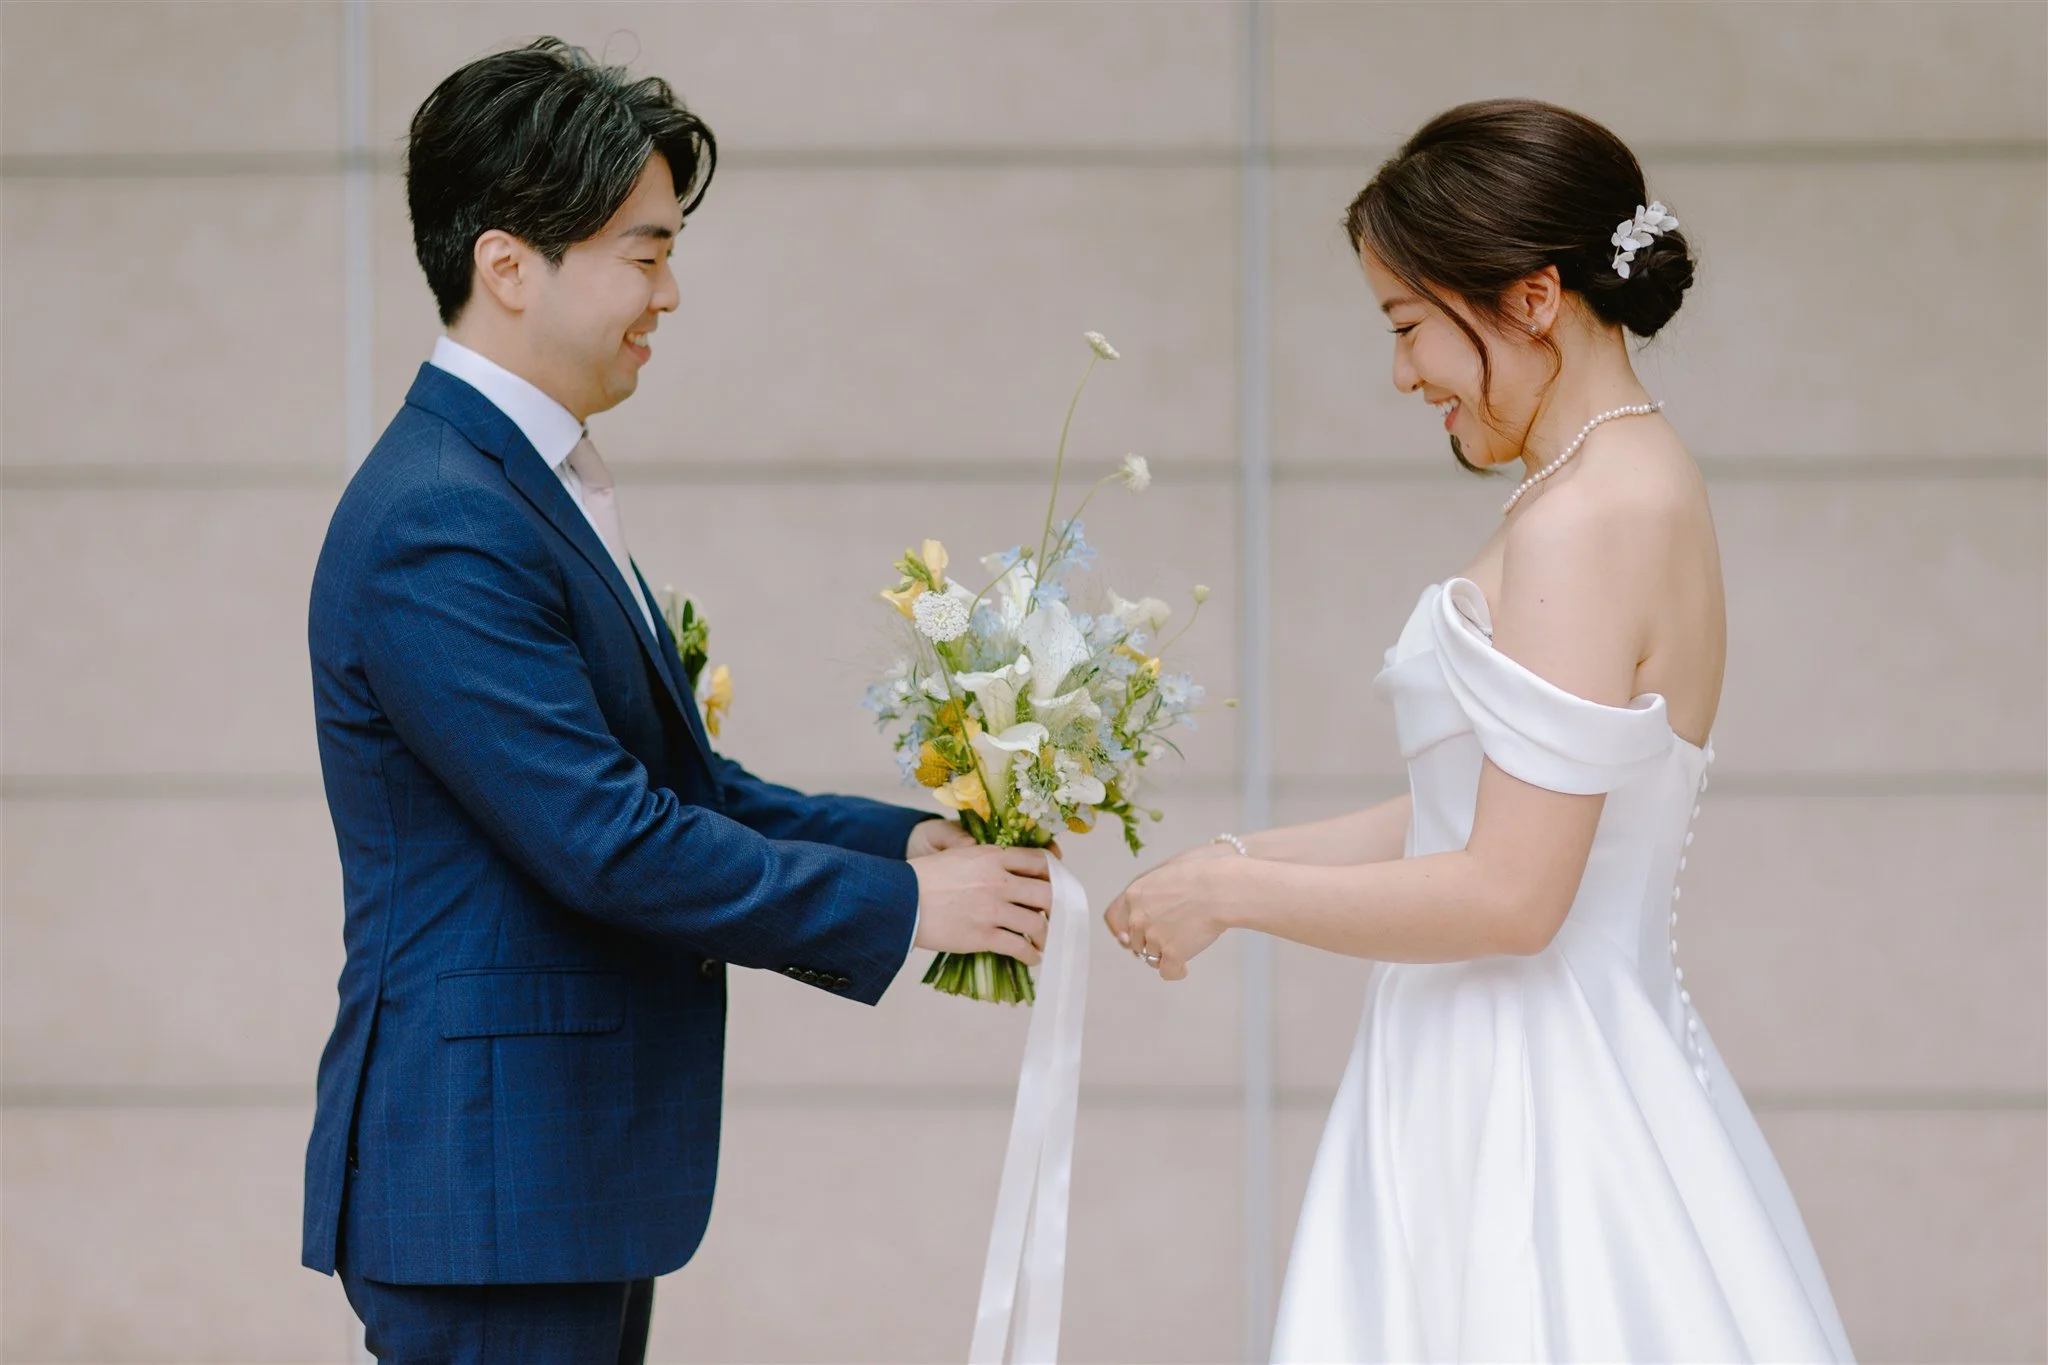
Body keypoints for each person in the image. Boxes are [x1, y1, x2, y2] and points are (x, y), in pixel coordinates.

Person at [300, 38, 1050, 1363]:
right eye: (644, 254)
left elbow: (681, 789)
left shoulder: (523, 484)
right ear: (510, 264)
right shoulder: (444, 520)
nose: (671, 292)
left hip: (548, 1176)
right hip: (488, 1180)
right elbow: (605, 839)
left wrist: (902, 842)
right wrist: (911, 912)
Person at [1105, 99, 1855, 1361]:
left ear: (1530, 298)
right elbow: (1480, 813)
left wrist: (1234, 893)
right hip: (1521, 1062)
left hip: (1527, 1104)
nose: (1401, 372)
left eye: (1408, 327)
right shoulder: (1626, 480)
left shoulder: (1582, 519)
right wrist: (1230, 860)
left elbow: (1512, 895)